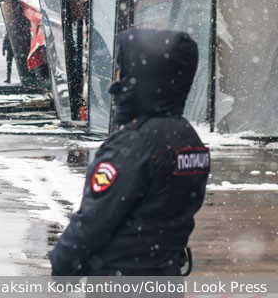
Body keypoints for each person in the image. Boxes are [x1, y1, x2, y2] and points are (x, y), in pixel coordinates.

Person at [49, 28, 210, 277]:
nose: (117, 85)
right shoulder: (188, 138)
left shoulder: (134, 144)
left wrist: (63, 263)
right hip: (165, 274)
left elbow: (96, 218)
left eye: (125, 75)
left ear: (146, 80)